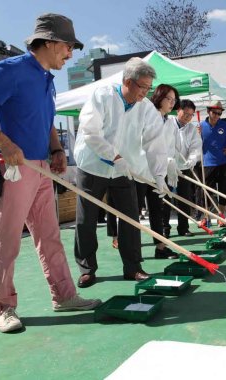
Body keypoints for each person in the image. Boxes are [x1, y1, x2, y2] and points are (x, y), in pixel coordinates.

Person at [0, 13, 101, 333]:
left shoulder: (47, 80)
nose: (71, 53)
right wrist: (4, 144)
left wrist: (56, 150)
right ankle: (4, 307)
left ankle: (64, 295)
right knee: (8, 240)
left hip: (40, 168)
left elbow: (46, 120)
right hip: (11, 167)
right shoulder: (11, 70)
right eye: (68, 46)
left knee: (50, 236)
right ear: (50, 42)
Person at [73, 57, 169, 286]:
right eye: (142, 86)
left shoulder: (146, 109)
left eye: (149, 87)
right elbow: (91, 132)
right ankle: (87, 268)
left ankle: (133, 267)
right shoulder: (102, 96)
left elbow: (155, 143)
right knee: (86, 219)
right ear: (127, 81)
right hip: (92, 166)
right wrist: (113, 157)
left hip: (125, 170)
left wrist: (159, 176)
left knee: (130, 217)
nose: (145, 93)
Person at [140, 83, 180, 259]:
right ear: (159, 97)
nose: (171, 103)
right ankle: (132, 252)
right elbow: (144, 143)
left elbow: (168, 148)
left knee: (158, 210)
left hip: (158, 173)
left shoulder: (169, 122)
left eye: (174, 100)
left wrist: (169, 163)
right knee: (134, 211)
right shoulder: (149, 115)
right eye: (168, 99)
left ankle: (161, 247)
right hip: (141, 171)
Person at [197, 100, 226, 225]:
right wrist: (196, 135)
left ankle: (221, 217)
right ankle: (206, 217)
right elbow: (194, 143)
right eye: (214, 112)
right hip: (207, 164)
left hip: (223, 163)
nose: (217, 115)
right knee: (206, 193)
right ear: (208, 111)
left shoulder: (225, 125)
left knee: (223, 191)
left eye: (219, 113)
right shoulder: (200, 126)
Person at [163, 99, 202, 236]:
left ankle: (183, 228)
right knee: (165, 198)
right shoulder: (167, 123)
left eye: (190, 115)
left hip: (184, 168)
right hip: (166, 167)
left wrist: (192, 159)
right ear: (178, 110)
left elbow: (196, 147)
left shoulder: (191, 128)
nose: (187, 117)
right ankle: (164, 228)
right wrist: (169, 160)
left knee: (184, 198)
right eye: (185, 113)